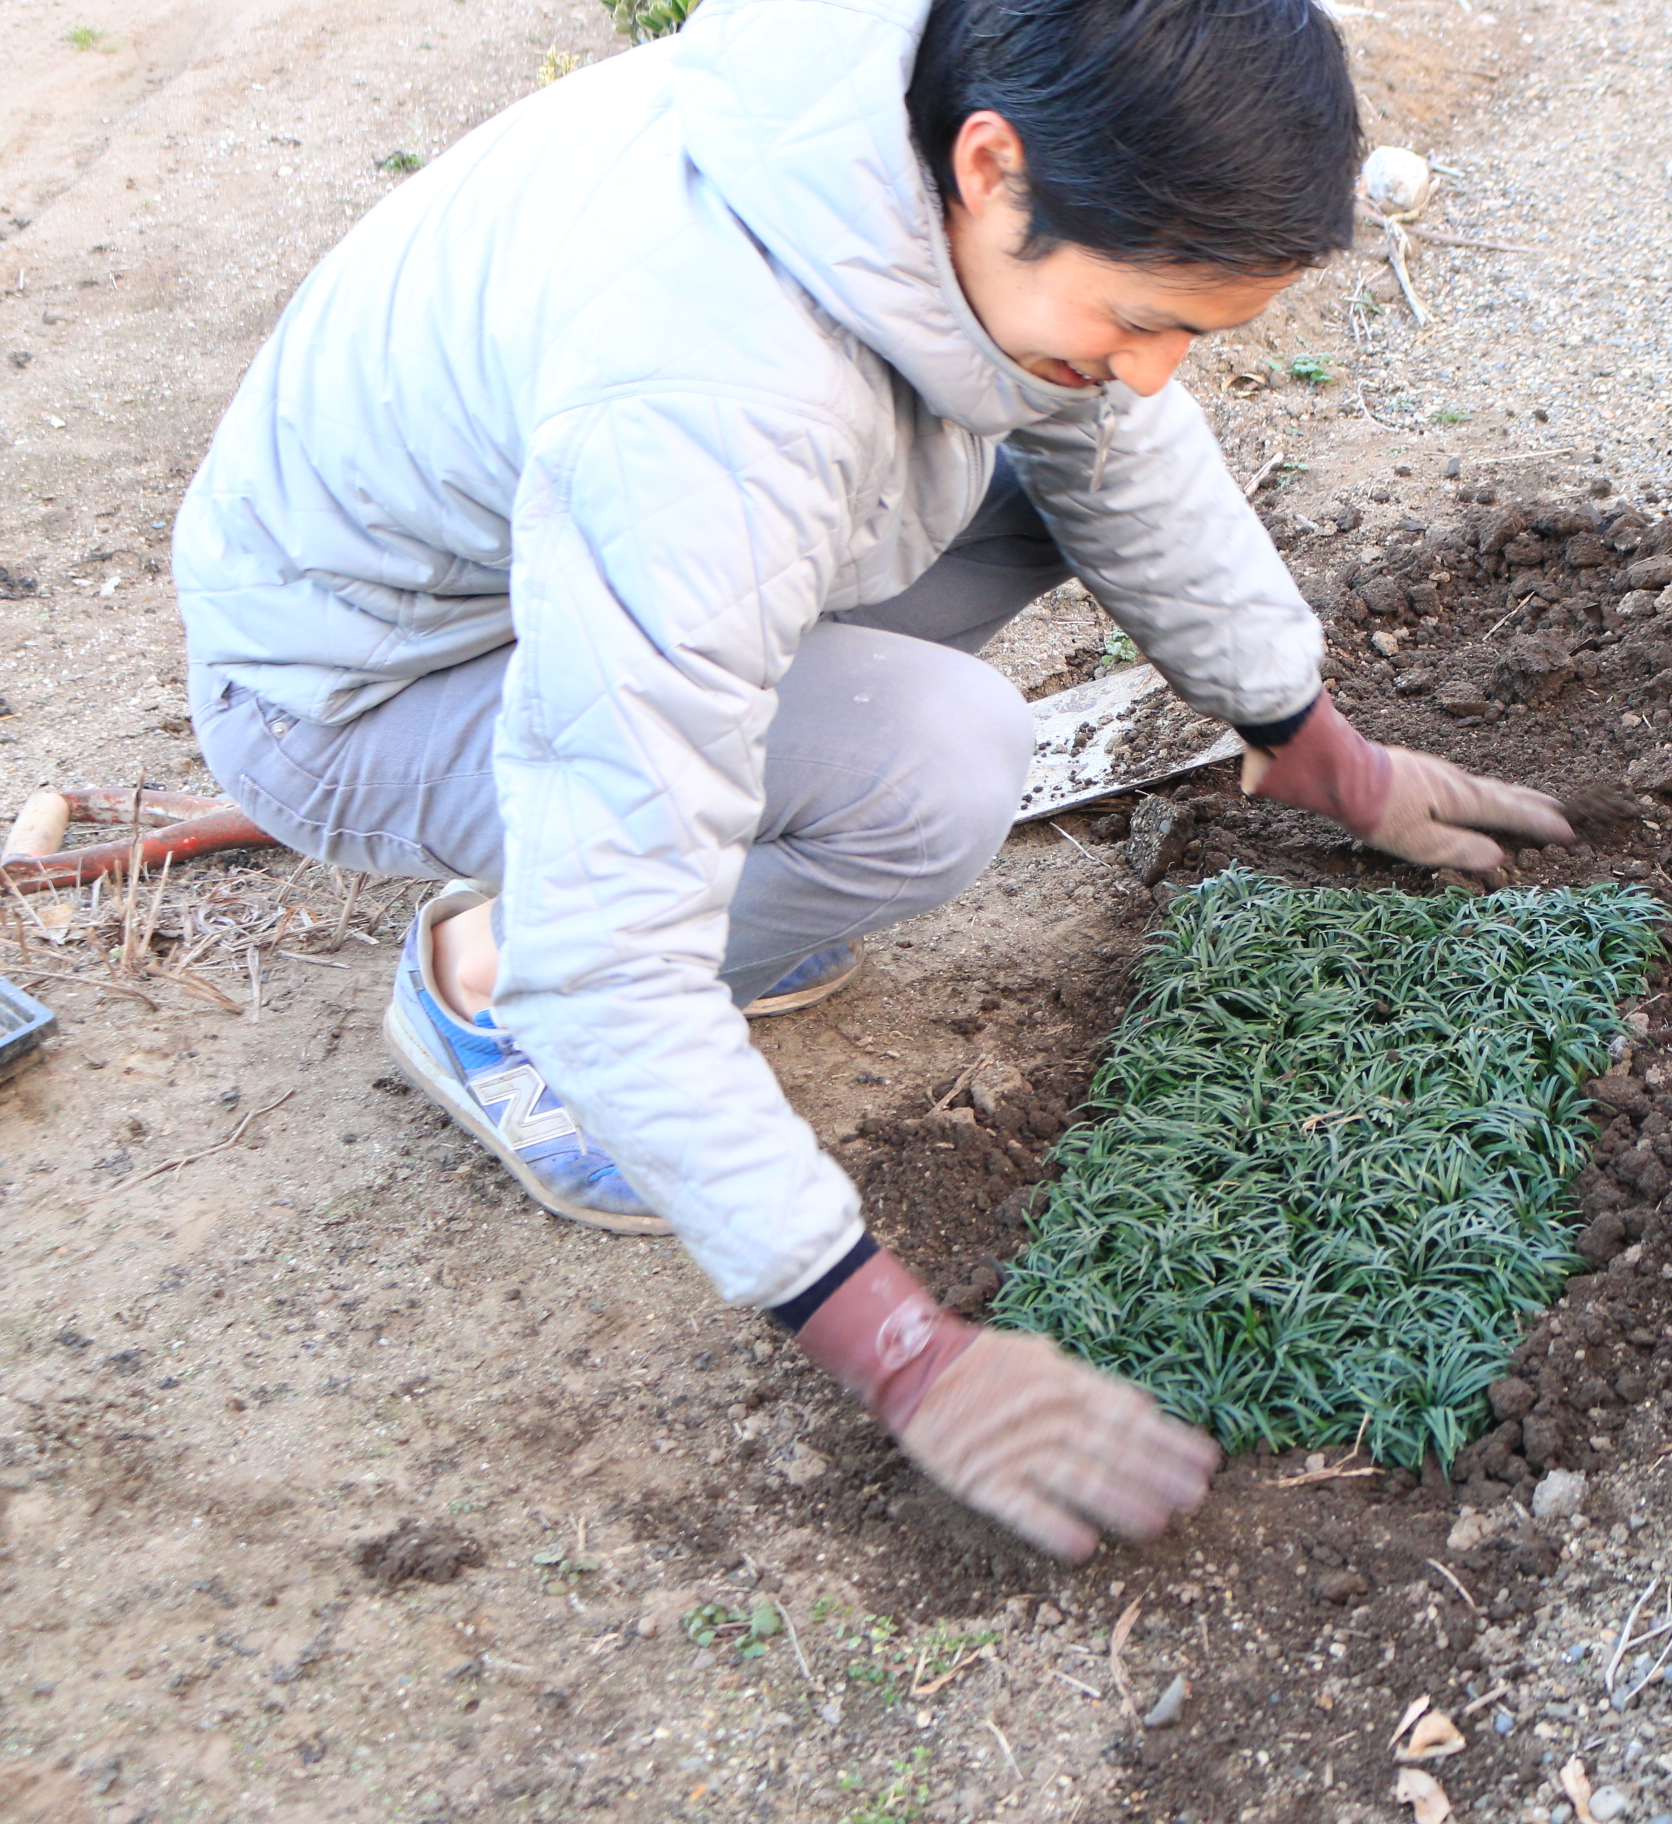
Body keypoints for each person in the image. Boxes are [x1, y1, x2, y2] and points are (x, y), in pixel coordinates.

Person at [171, 0, 1573, 1561]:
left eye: (1197, 331)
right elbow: (622, 941)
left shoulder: (934, 102)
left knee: (1061, 455)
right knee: (936, 767)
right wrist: (901, 1349)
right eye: (1143, 314)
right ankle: (482, 979)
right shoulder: (714, 395)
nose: (1160, 372)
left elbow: (1117, 447)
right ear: (993, 168)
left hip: (590, 557)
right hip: (366, 682)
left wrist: (1309, 738)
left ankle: (709, 871)